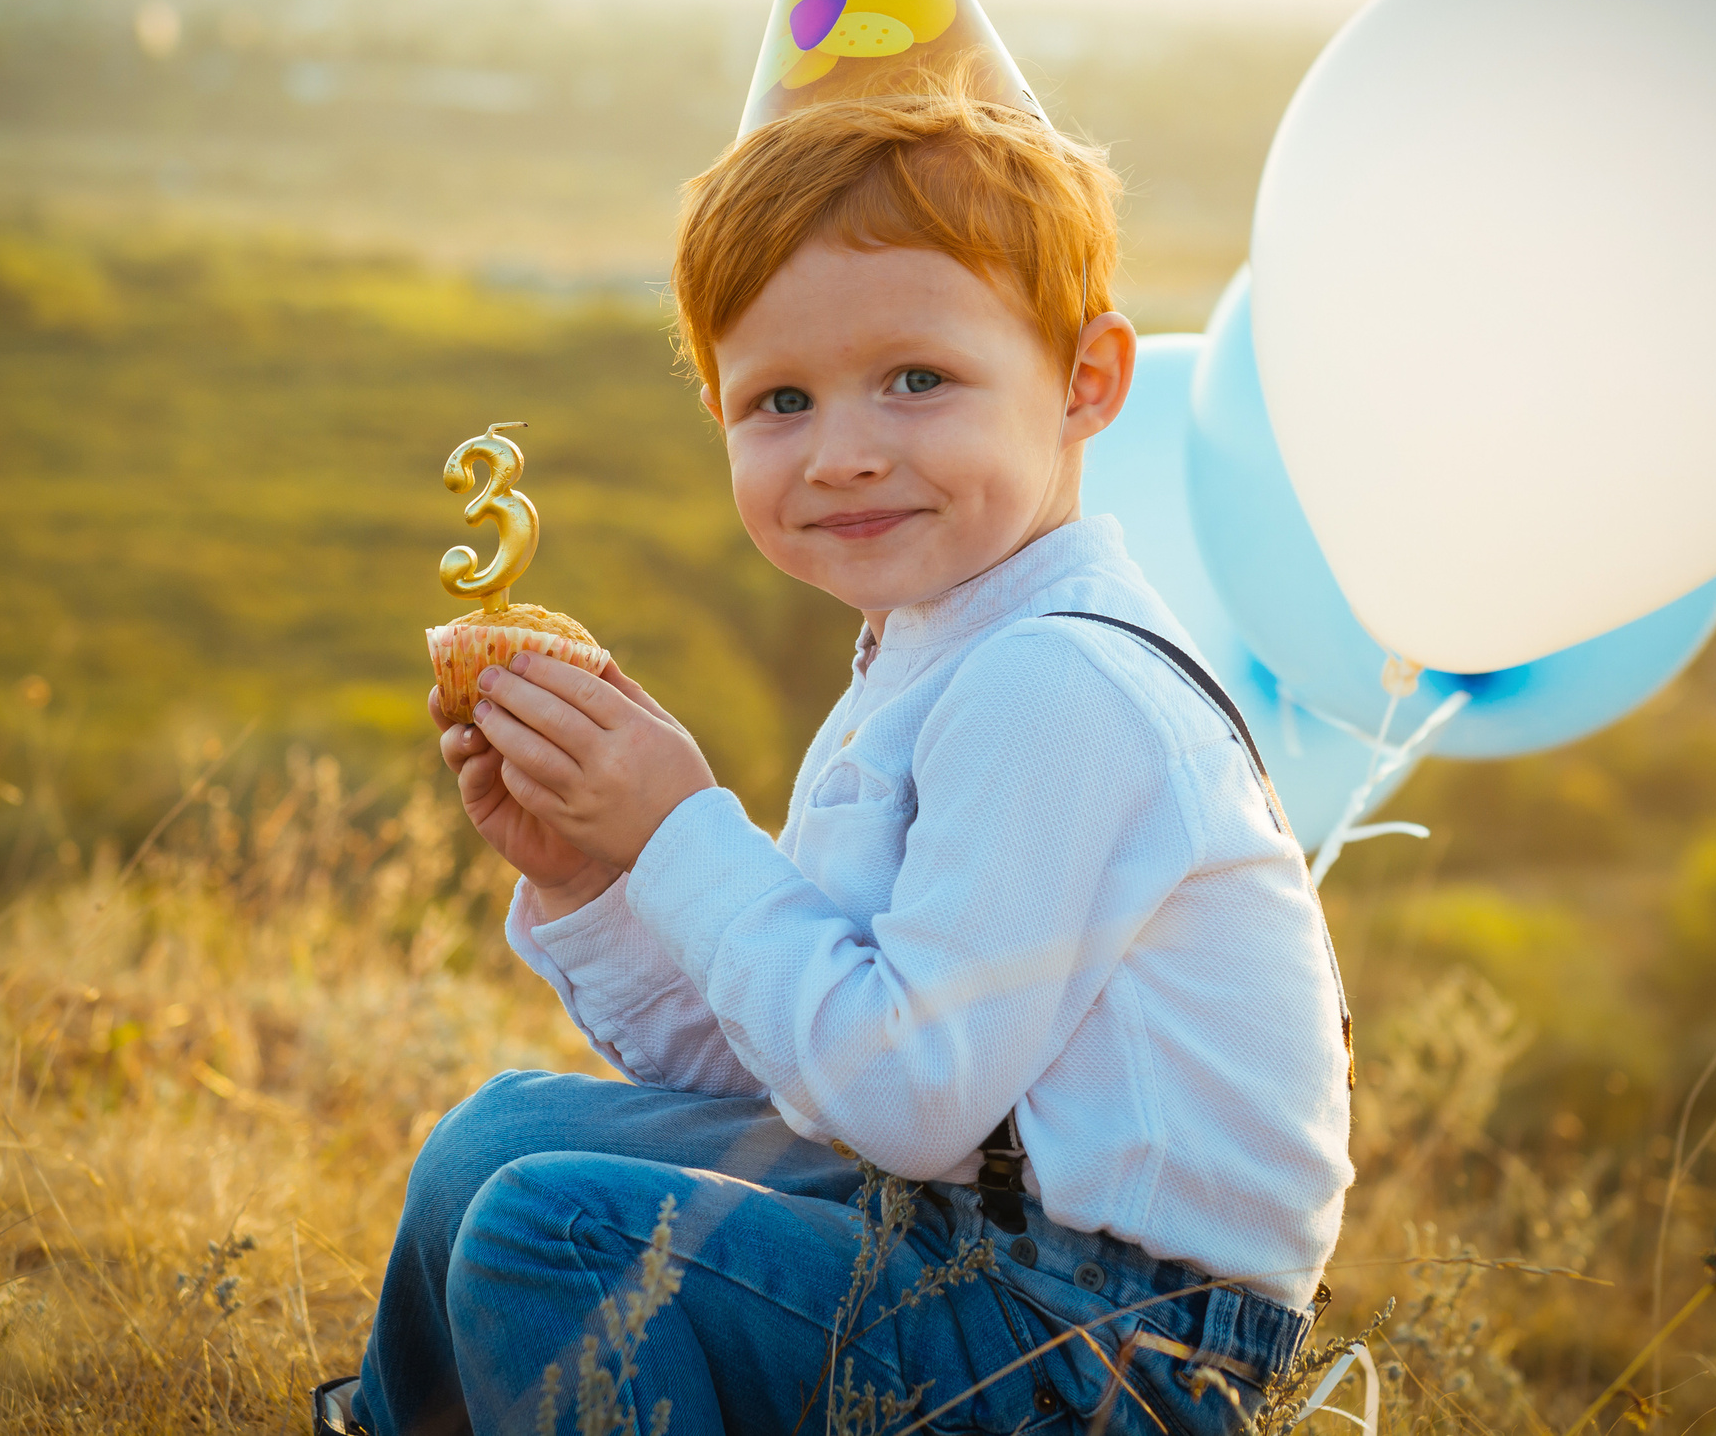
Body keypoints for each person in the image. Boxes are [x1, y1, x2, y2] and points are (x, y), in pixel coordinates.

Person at [325, 86, 1355, 1436]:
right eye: (782, 402)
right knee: (498, 1140)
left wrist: (687, 830)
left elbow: (906, 1098)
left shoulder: (1060, 684)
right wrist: (602, 878)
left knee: (557, 1232)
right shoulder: (932, 652)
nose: (847, 454)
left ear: (1085, 383)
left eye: (918, 380)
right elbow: (798, 1073)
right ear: (718, 414)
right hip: (964, 1243)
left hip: (1118, 1351)